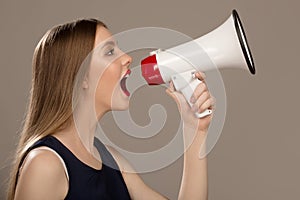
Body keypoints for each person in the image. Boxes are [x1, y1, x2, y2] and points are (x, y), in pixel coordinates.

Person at [7, 18, 215, 200]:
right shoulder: (45, 164)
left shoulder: (111, 160)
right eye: (109, 52)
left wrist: (195, 130)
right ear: (82, 76)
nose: (127, 58)